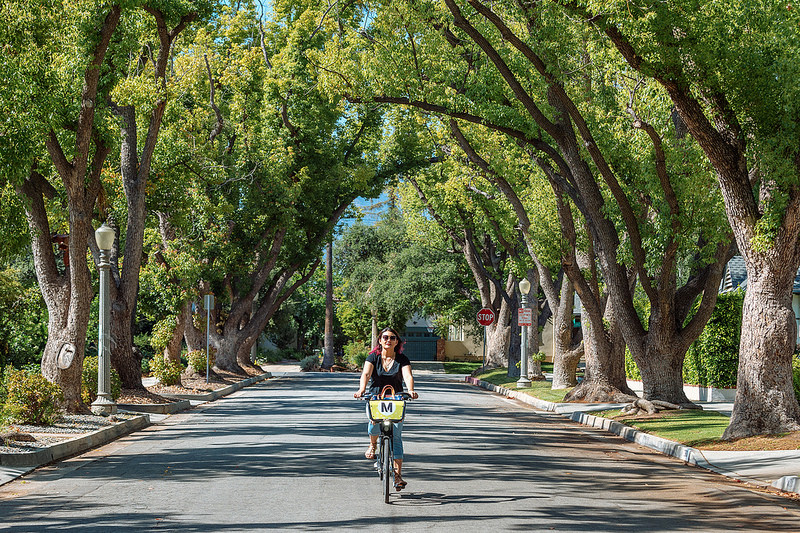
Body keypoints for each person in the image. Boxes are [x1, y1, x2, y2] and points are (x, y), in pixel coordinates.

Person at [354, 326, 418, 490]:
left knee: (396, 435)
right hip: (376, 397)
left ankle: (397, 476)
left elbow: (407, 376)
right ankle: (373, 444)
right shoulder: (372, 357)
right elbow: (366, 375)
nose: (388, 340)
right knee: (374, 423)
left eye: (392, 338)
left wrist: (410, 391)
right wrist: (362, 389)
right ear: (380, 341)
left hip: (396, 398)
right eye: (385, 337)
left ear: (397, 341)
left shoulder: (402, 359)